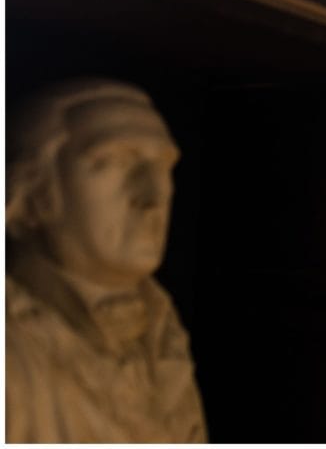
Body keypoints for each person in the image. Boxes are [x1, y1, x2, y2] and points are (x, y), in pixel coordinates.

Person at [6, 78, 207, 442]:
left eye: (164, 167)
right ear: (35, 193)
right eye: (114, 162)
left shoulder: (164, 335)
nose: (153, 197)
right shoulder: (13, 352)